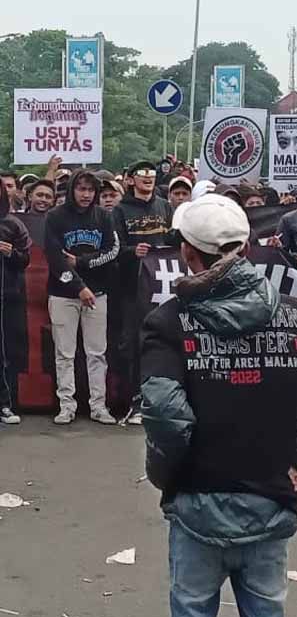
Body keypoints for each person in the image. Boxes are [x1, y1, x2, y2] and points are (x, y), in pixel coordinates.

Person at [140, 193, 297, 617]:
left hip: (196, 506)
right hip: (271, 501)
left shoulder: (168, 322)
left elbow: (166, 414)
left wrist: (168, 476)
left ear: (188, 252)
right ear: (244, 249)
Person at [44, 170, 119, 425]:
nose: (86, 195)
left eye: (90, 190)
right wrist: (79, 287)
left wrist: (83, 263)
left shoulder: (104, 217)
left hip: (98, 293)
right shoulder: (55, 217)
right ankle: (67, 406)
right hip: (62, 293)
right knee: (64, 353)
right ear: (72, 189)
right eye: (81, 189)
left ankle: (99, 406)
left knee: (97, 352)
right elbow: (54, 258)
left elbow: (112, 251)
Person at [113, 161, 176, 424]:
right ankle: (136, 401)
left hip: (163, 288)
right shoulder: (119, 210)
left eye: (151, 174)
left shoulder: (164, 205)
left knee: (165, 343)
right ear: (130, 180)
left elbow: (174, 240)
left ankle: (166, 399)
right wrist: (131, 252)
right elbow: (113, 247)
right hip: (131, 287)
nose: (148, 178)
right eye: (142, 174)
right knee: (133, 344)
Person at [0, 180, 31, 425]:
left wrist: (11, 253)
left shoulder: (13, 224)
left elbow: (25, 260)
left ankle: (5, 404)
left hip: (8, 297)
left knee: (6, 352)